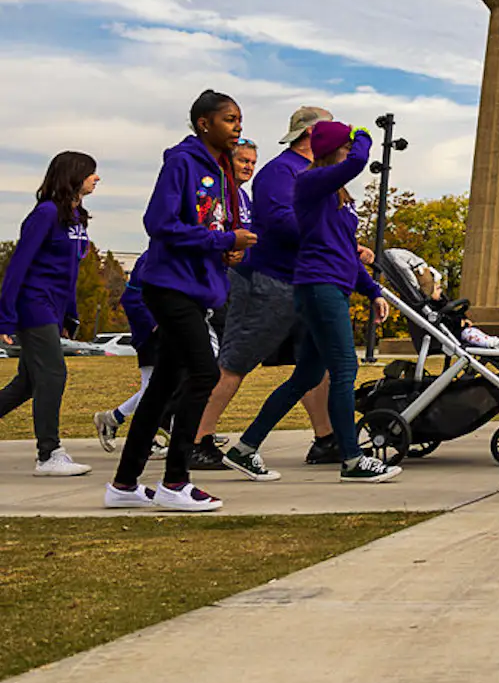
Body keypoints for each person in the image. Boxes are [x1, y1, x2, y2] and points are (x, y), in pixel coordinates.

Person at [106, 91, 257, 512]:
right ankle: (175, 482)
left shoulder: (225, 169)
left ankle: (123, 484)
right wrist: (223, 239)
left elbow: (215, 224)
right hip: (169, 285)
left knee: (161, 388)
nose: (238, 127)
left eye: (240, 119)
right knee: (204, 374)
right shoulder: (182, 163)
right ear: (204, 123)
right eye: (230, 119)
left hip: (199, 284)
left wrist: (229, 249)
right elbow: (159, 223)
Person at [224, 122, 400, 483]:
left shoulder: (337, 194)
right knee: (344, 370)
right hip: (318, 288)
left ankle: (244, 448)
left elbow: (345, 251)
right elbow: (357, 162)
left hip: (330, 286)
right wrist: (363, 135)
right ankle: (352, 460)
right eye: (347, 145)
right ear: (338, 148)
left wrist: (372, 290)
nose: (351, 149)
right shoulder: (310, 182)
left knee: (305, 376)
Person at [189, 107, 340, 470]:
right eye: (330, 131)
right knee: (235, 363)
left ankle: (326, 439)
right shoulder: (279, 172)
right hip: (268, 282)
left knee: (315, 363)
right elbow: (280, 222)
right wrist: (331, 238)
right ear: (310, 134)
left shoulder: (316, 174)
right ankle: (196, 440)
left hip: (305, 282)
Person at [0, 151, 99, 476]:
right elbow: (18, 266)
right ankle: (49, 454)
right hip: (33, 303)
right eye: (91, 172)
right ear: (74, 175)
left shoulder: (76, 217)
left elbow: (70, 272)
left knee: (27, 384)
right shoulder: (45, 214)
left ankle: (50, 452)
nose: (96, 178)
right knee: (53, 375)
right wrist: (6, 316)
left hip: (53, 308)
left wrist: (70, 315)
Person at [93, 256, 159, 452]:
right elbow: (131, 298)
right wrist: (153, 324)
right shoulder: (151, 259)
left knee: (164, 388)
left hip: (171, 329)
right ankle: (145, 438)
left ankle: (114, 418)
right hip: (151, 334)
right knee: (153, 390)